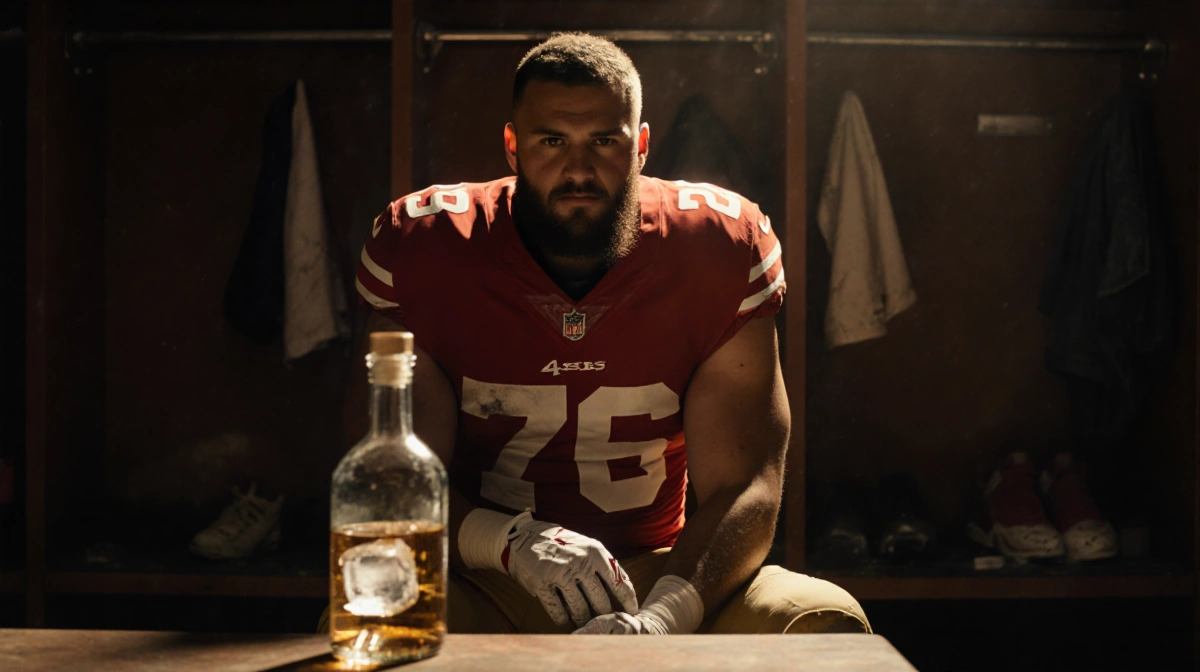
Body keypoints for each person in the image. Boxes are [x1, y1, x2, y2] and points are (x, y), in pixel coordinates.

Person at [344, 33, 869, 635]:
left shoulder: (718, 247)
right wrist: (508, 542)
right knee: (372, 621)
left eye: (603, 141)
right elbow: (390, 476)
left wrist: (664, 617)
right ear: (512, 146)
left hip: (659, 571)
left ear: (641, 146)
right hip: (483, 576)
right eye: (551, 141)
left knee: (823, 624)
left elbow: (746, 483)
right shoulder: (427, 248)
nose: (577, 169)